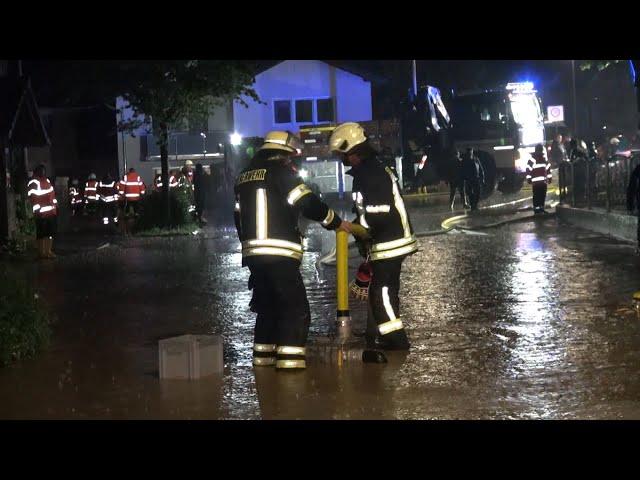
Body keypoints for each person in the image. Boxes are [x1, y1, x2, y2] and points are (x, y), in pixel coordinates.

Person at [234, 130, 350, 370]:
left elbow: (238, 217)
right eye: (288, 156)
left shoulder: (243, 177)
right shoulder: (282, 173)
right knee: (295, 310)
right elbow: (308, 203)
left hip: (253, 257)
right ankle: (291, 372)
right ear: (281, 154)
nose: (290, 161)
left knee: (267, 309)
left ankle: (263, 367)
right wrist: (336, 222)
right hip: (280, 253)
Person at [329, 122, 417, 351]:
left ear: (352, 151)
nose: (342, 159)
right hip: (387, 240)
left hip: (389, 241)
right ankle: (378, 336)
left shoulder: (369, 174)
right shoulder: (370, 170)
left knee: (382, 292)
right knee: (384, 290)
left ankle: (396, 341)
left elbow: (377, 211)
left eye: (342, 154)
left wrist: (359, 229)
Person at [27, 164, 58, 259]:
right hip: (40, 214)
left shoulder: (47, 180)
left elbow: (52, 195)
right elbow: (32, 198)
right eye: (41, 170)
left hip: (50, 212)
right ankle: (42, 253)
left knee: (49, 234)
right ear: (37, 172)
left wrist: (55, 206)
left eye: (43, 170)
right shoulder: (33, 182)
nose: (43, 172)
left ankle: (48, 251)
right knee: (41, 234)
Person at [526, 144, 552, 214]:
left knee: (537, 196)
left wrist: (529, 179)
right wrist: (549, 178)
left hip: (536, 183)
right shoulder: (544, 159)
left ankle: (538, 209)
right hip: (543, 182)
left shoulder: (532, 160)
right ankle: (540, 209)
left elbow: (528, 170)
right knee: (541, 196)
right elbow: (548, 170)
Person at [627, 162, 640, 254]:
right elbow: (631, 188)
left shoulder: (637, 169)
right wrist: (630, 205)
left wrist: (630, 205)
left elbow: (631, 188)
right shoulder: (638, 169)